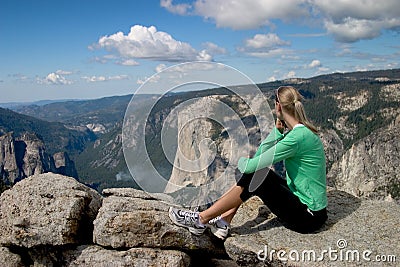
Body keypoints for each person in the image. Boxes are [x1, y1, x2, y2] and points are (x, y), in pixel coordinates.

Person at [169, 86, 328, 240]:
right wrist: (277, 131)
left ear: (278, 106)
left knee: (252, 174)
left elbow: (251, 166)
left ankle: (201, 219)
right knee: (257, 174)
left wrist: (239, 161)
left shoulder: (296, 138)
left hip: (308, 218)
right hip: (310, 209)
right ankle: (223, 222)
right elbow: (260, 159)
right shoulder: (303, 133)